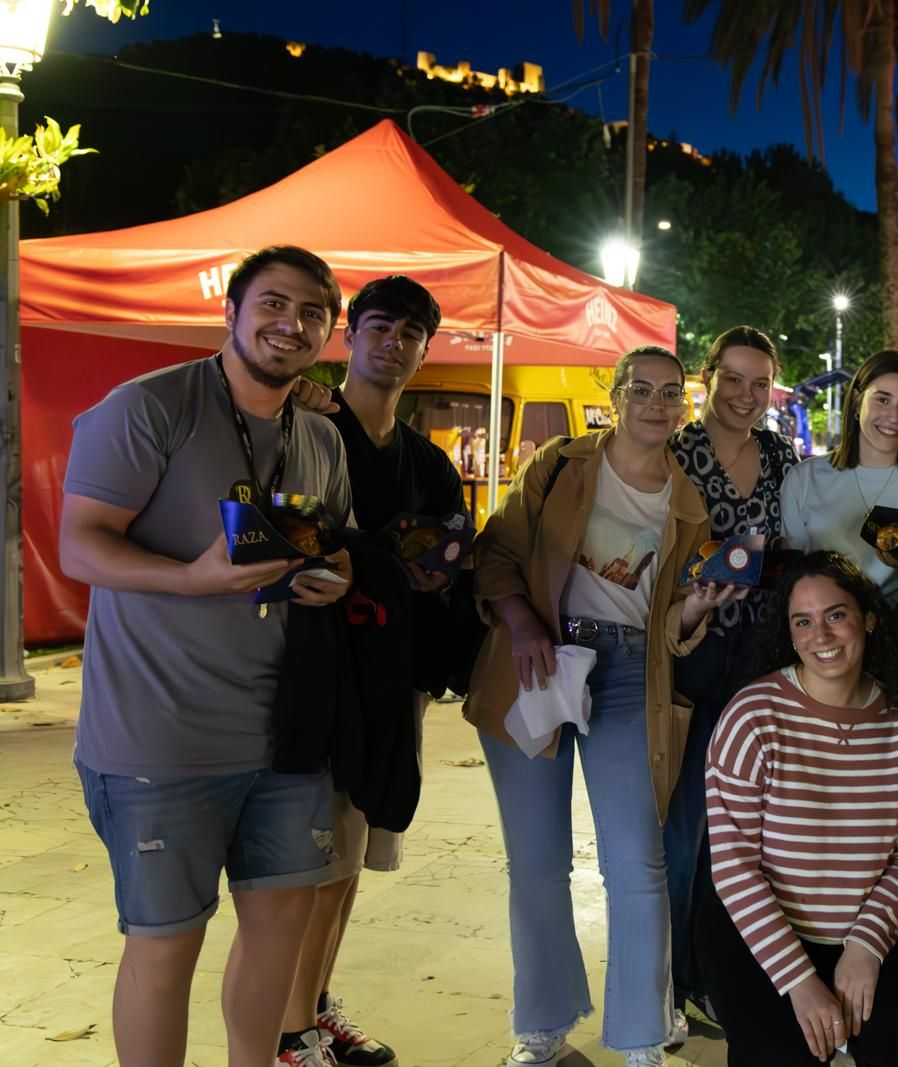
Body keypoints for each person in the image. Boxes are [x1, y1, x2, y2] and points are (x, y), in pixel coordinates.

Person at [59, 245, 355, 1067]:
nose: (289, 324)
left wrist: (332, 574)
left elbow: (329, 542)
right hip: (159, 737)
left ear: (329, 331)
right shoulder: (150, 407)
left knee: (277, 935)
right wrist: (193, 579)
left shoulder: (320, 438)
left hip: (287, 737)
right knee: (165, 946)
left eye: (311, 313)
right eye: (272, 303)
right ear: (231, 311)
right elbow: (79, 546)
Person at [466, 344, 739, 1067]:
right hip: (541, 660)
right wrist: (523, 623)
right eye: (641, 389)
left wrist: (698, 607)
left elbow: (676, 619)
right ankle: (542, 1026)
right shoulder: (561, 464)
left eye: (670, 393)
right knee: (537, 860)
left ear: (685, 404)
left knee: (638, 860)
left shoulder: (686, 499)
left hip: (629, 678)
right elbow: (495, 554)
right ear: (616, 396)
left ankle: (642, 1034)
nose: (656, 403)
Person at [278, 276, 465, 1067]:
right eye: (381, 327)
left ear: (425, 349)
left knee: (353, 857)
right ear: (349, 334)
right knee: (316, 861)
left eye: (411, 333)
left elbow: (450, 567)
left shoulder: (429, 463)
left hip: (395, 681)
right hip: (320, 677)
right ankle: (289, 1032)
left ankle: (316, 1007)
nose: (394, 343)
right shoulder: (309, 425)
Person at [695, 551, 898, 1066]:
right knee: (782, 1053)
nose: (821, 636)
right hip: (759, 932)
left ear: (868, 619)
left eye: (836, 615)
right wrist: (799, 980)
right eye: (802, 622)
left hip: (857, 930)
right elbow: (735, 869)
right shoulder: (753, 717)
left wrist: (867, 945)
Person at [664, 325, 801, 1029]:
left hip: (762, 660)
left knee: (740, 833)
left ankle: (716, 974)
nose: (747, 396)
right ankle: (671, 980)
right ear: (708, 376)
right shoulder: (675, 450)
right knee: (685, 828)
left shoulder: (778, 453)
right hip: (691, 653)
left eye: (760, 382)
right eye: (734, 379)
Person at [781, 349, 898, 610]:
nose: (894, 416)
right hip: (826, 639)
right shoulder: (803, 478)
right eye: (882, 400)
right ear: (856, 400)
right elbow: (791, 579)